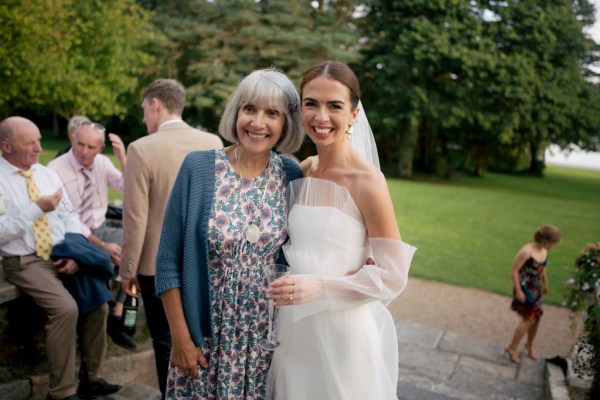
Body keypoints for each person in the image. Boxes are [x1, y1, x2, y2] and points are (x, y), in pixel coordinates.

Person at [265, 61, 417, 400]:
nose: (321, 117)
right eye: (311, 104)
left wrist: (319, 286)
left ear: (354, 114)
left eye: (334, 106)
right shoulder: (304, 170)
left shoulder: (368, 182)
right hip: (293, 326)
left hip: (340, 329)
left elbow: (393, 275)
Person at [155, 68, 304, 399]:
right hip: (203, 337)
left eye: (272, 113)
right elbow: (167, 261)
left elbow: (307, 247)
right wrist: (180, 338)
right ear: (236, 112)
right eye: (249, 109)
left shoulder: (290, 174)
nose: (257, 122)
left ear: (286, 124)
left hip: (264, 341)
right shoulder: (198, 167)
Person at [0, 116, 121, 400]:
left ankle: (93, 378)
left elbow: (69, 218)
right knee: (66, 309)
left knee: (99, 304)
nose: (39, 148)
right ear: (6, 147)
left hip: (61, 254)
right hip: (24, 261)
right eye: (29, 143)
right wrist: (36, 208)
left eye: (39, 140)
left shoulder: (46, 175)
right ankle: (62, 393)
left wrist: (74, 253)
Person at [120, 78, 224, 398]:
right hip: (207, 261)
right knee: (205, 337)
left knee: (166, 342)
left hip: (155, 265)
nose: (143, 119)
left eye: (143, 111)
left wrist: (127, 270)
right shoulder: (214, 141)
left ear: (155, 105)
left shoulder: (140, 148)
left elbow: (135, 218)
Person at [48, 121, 135, 350]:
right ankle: (110, 317)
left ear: (101, 149)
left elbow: (129, 189)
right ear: (72, 141)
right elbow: (68, 220)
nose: (83, 151)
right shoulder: (55, 170)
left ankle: (118, 312)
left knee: (139, 251)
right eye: (80, 144)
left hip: (100, 226)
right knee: (106, 257)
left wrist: (123, 158)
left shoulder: (103, 163)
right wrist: (104, 245)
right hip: (73, 234)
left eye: (91, 147)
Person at [505, 224, 562, 364]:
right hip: (525, 288)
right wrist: (518, 291)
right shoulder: (526, 251)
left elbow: (542, 269)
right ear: (547, 241)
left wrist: (545, 283)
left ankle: (529, 345)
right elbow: (514, 270)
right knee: (528, 318)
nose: (554, 246)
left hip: (536, 288)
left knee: (537, 318)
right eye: (554, 243)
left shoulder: (544, 251)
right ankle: (512, 348)